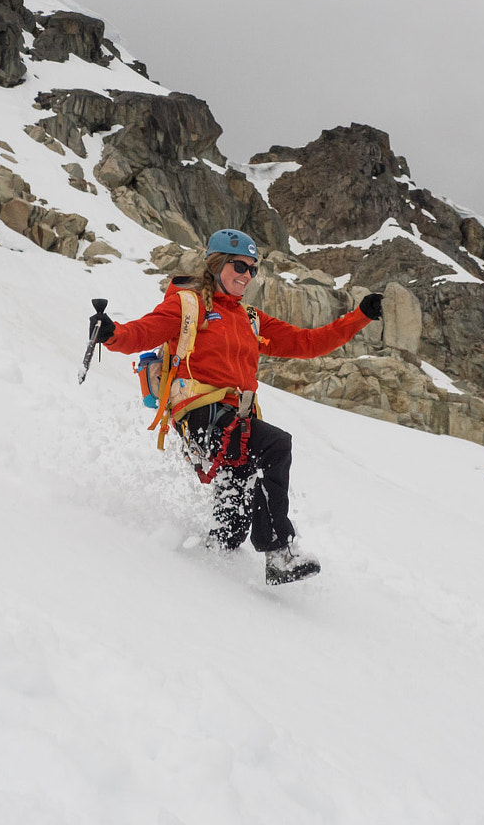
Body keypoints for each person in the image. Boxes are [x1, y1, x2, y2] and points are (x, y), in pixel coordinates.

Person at [91, 228, 385, 584]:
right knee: (276, 445)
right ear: (216, 265)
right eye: (238, 266)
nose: (246, 275)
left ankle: (212, 573)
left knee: (236, 515)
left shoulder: (250, 319)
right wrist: (111, 333)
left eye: (252, 269)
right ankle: (278, 552)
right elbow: (142, 332)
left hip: (236, 423)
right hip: (203, 419)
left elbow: (307, 343)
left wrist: (360, 318)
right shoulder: (189, 305)